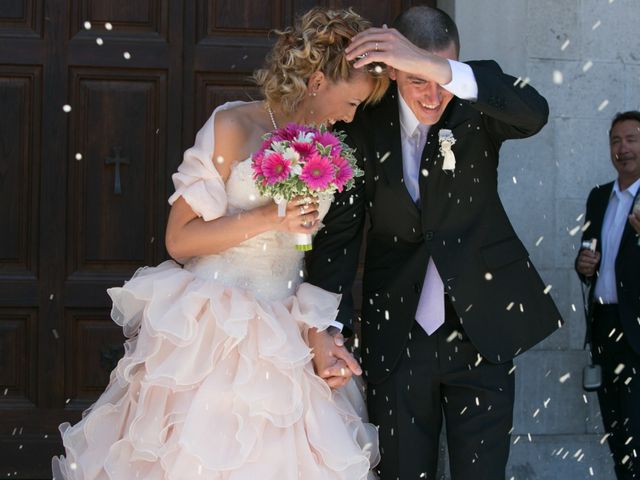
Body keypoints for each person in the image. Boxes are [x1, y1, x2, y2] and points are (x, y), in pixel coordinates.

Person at [51, 7, 389, 480]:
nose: (352, 115)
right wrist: (267, 217)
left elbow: (312, 259)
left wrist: (320, 334)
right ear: (317, 82)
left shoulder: (332, 152)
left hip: (285, 326)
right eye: (351, 102)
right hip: (215, 322)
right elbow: (179, 239)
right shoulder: (233, 126)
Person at [306, 6, 563, 479]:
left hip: (483, 328)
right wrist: (328, 327)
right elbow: (339, 239)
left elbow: (536, 114)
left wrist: (438, 70)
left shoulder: (474, 95)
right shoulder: (362, 121)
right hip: (398, 336)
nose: (433, 95)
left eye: (438, 76)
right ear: (394, 69)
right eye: (417, 80)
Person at [576, 111, 640, 480]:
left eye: (631, 139)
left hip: (637, 335)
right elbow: (588, 253)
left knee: (636, 437)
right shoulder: (600, 197)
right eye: (616, 140)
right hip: (604, 329)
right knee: (616, 435)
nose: (623, 148)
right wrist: (583, 265)